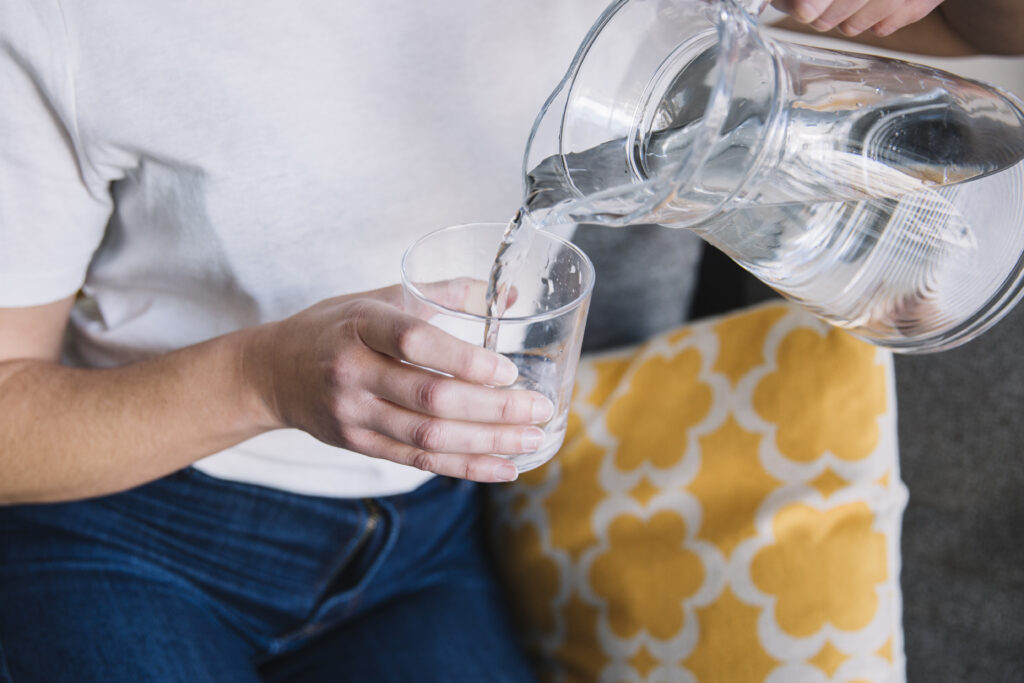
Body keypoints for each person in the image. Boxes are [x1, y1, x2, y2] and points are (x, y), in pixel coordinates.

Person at [0, 1, 1018, 681]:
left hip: (430, 535)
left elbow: (997, 41)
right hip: (133, 528)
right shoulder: (75, 23)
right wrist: (262, 377)